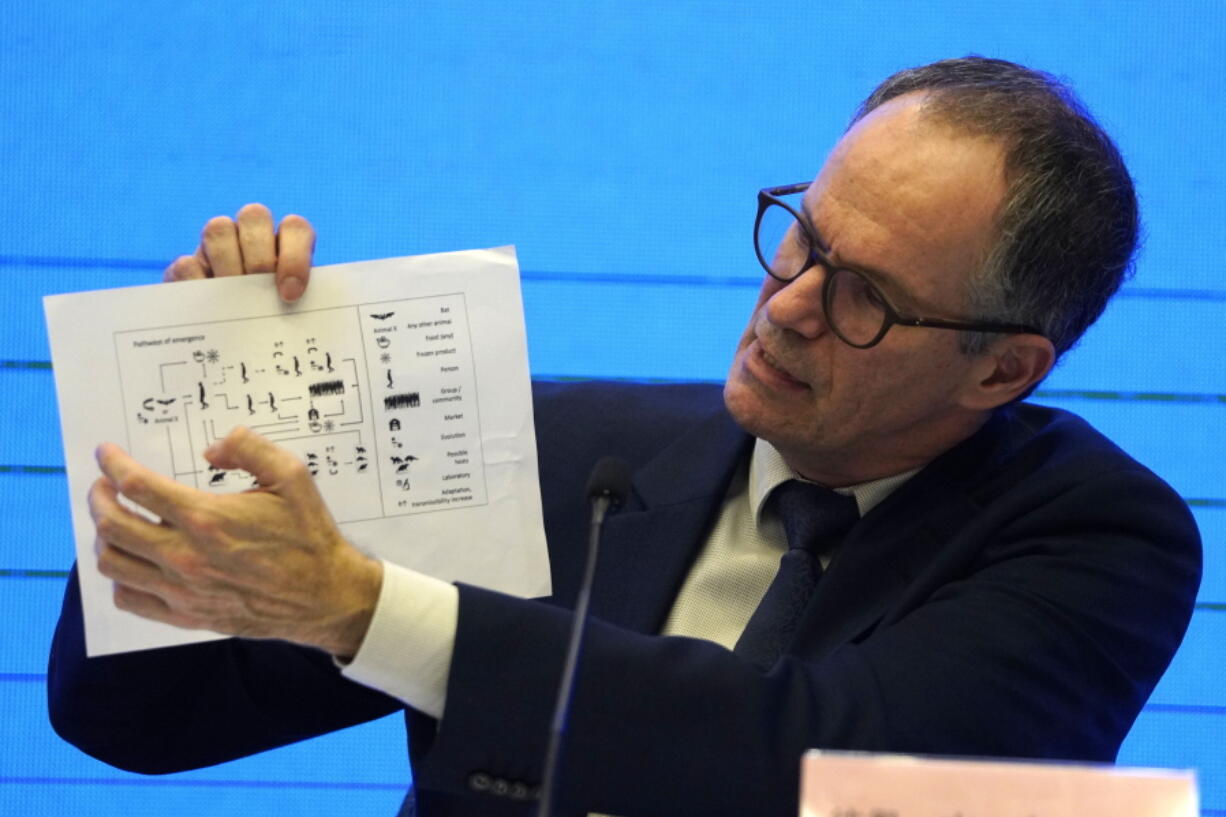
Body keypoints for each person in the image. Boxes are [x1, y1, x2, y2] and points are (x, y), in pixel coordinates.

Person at [49, 57, 1200, 817]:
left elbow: (832, 759)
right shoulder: (573, 449)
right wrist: (200, 414)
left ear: (1001, 367)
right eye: (802, 238)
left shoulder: (1095, 538)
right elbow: (139, 721)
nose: (787, 302)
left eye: (867, 298)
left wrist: (362, 607)